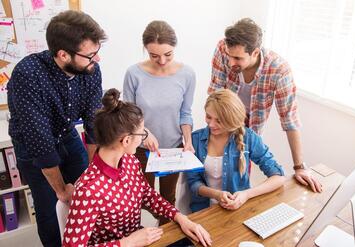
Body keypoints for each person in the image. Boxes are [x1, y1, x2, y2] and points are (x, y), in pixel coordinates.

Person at [62, 89, 212, 247]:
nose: (144, 139)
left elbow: (147, 195)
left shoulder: (130, 161)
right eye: (142, 135)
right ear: (126, 141)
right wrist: (126, 243)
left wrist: (180, 217)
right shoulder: (88, 191)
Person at [7, 10, 106, 246]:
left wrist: (92, 175)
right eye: (90, 55)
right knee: (50, 209)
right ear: (63, 55)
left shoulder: (90, 70)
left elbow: (93, 125)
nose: (97, 60)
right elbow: (41, 144)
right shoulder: (28, 75)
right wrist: (62, 191)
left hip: (66, 133)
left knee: (88, 196)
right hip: (33, 147)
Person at [208, 18, 322, 193]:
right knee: (213, 173)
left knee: (239, 179)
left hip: (250, 127)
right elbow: (215, 94)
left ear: (255, 52)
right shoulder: (223, 48)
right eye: (229, 56)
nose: (231, 62)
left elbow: (289, 119)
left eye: (238, 58)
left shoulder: (279, 69)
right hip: (222, 116)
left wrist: (299, 166)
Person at [123, 20, 195, 224]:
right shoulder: (133, 74)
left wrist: (187, 141)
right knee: (138, 200)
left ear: (175, 48)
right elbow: (129, 114)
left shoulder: (187, 74)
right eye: (154, 55)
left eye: (168, 54)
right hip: (139, 149)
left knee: (167, 201)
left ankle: (166, 239)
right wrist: (144, 132)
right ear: (145, 50)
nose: (162, 61)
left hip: (172, 149)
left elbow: (186, 113)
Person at [186, 89, 286, 212]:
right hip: (203, 210)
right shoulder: (195, 139)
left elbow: (279, 177)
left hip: (238, 210)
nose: (211, 124)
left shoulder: (248, 137)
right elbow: (194, 183)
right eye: (208, 117)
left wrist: (246, 194)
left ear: (231, 119)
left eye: (219, 120)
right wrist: (216, 194)